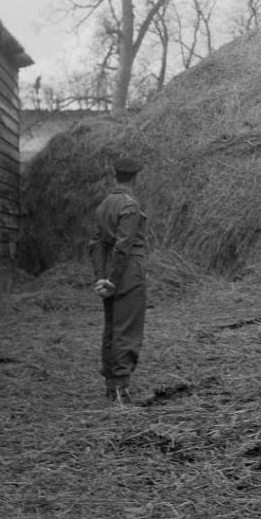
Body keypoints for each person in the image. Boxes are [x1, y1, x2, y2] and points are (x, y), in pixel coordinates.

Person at [88, 157, 147, 404]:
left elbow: (96, 244)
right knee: (128, 329)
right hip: (128, 272)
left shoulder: (104, 205)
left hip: (111, 273)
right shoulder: (129, 205)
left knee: (111, 328)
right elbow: (123, 247)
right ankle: (122, 387)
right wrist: (112, 279)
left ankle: (111, 385)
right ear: (135, 177)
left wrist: (101, 278)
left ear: (116, 176)